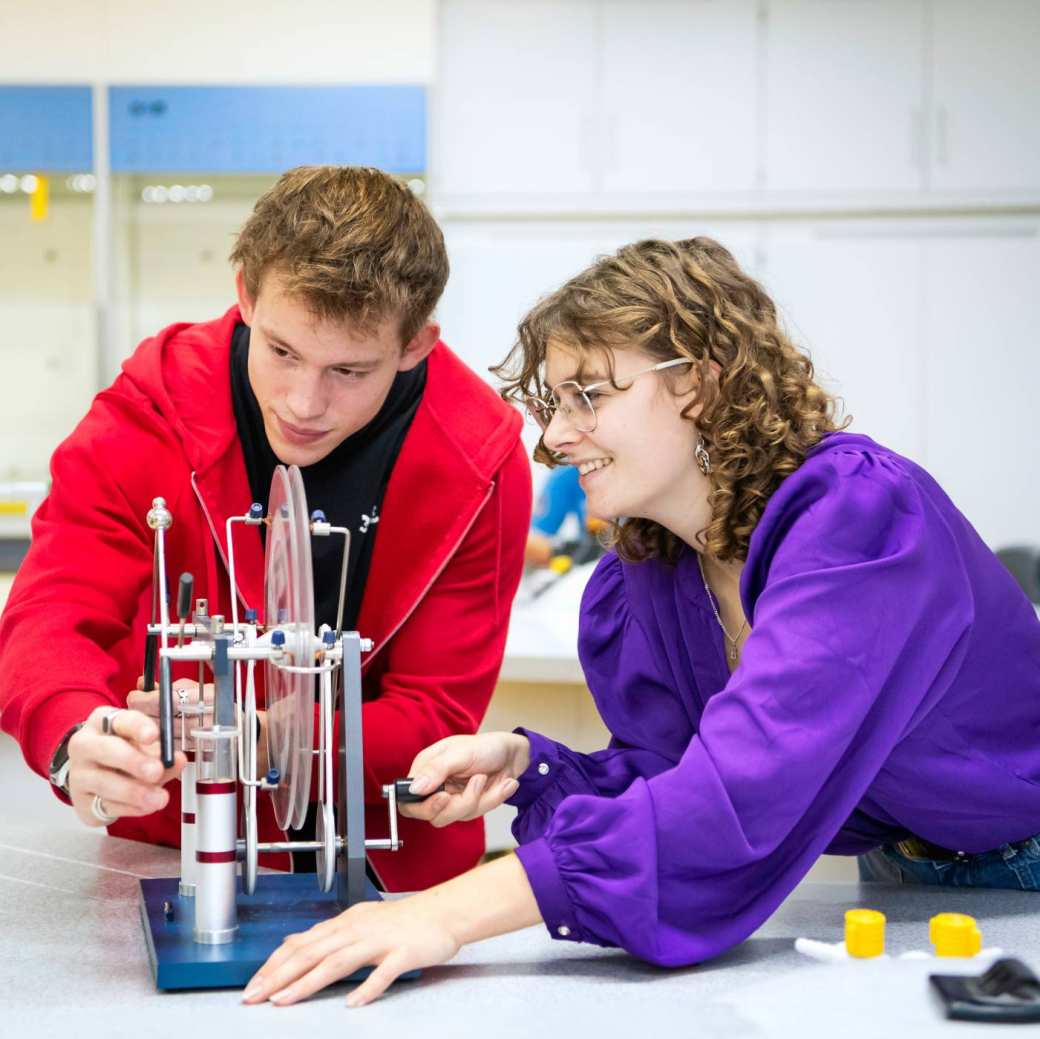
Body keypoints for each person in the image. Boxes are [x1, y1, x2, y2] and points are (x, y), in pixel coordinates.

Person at [240, 236, 1040, 1009]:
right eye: (555, 403)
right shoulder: (650, 571)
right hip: (904, 878)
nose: (553, 435)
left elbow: (727, 803)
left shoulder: (858, 523)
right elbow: (674, 776)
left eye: (589, 395)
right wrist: (532, 767)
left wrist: (440, 914)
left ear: (700, 384)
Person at [0, 165, 531, 892]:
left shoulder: (481, 457)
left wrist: (245, 733)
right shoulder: (152, 403)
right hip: (176, 854)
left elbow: (434, 711)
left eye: (349, 369)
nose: (303, 402)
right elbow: (53, 608)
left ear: (415, 344)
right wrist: (69, 731)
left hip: (395, 874)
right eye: (281, 351)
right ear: (246, 294)